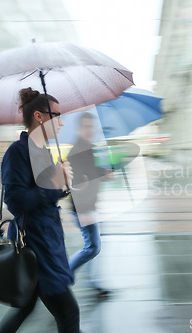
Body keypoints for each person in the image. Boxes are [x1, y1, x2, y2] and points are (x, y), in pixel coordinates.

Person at [0, 88, 78, 333]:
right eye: (57, 115)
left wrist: (64, 183)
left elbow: (49, 193)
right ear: (40, 116)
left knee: (25, 306)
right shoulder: (18, 152)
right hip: (35, 244)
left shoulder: (42, 152)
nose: (62, 122)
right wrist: (54, 185)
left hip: (48, 239)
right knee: (68, 312)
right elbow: (16, 200)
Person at [68, 112, 113, 296]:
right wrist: (83, 210)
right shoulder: (77, 151)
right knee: (92, 247)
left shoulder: (89, 148)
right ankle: (64, 274)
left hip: (90, 207)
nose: (89, 130)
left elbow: (92, 172)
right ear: (79, 128)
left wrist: (105, 173)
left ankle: (94, 283)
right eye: (86, 126)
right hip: (83, 208)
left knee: (92, 247)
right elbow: (77, 183)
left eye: (91, 126)